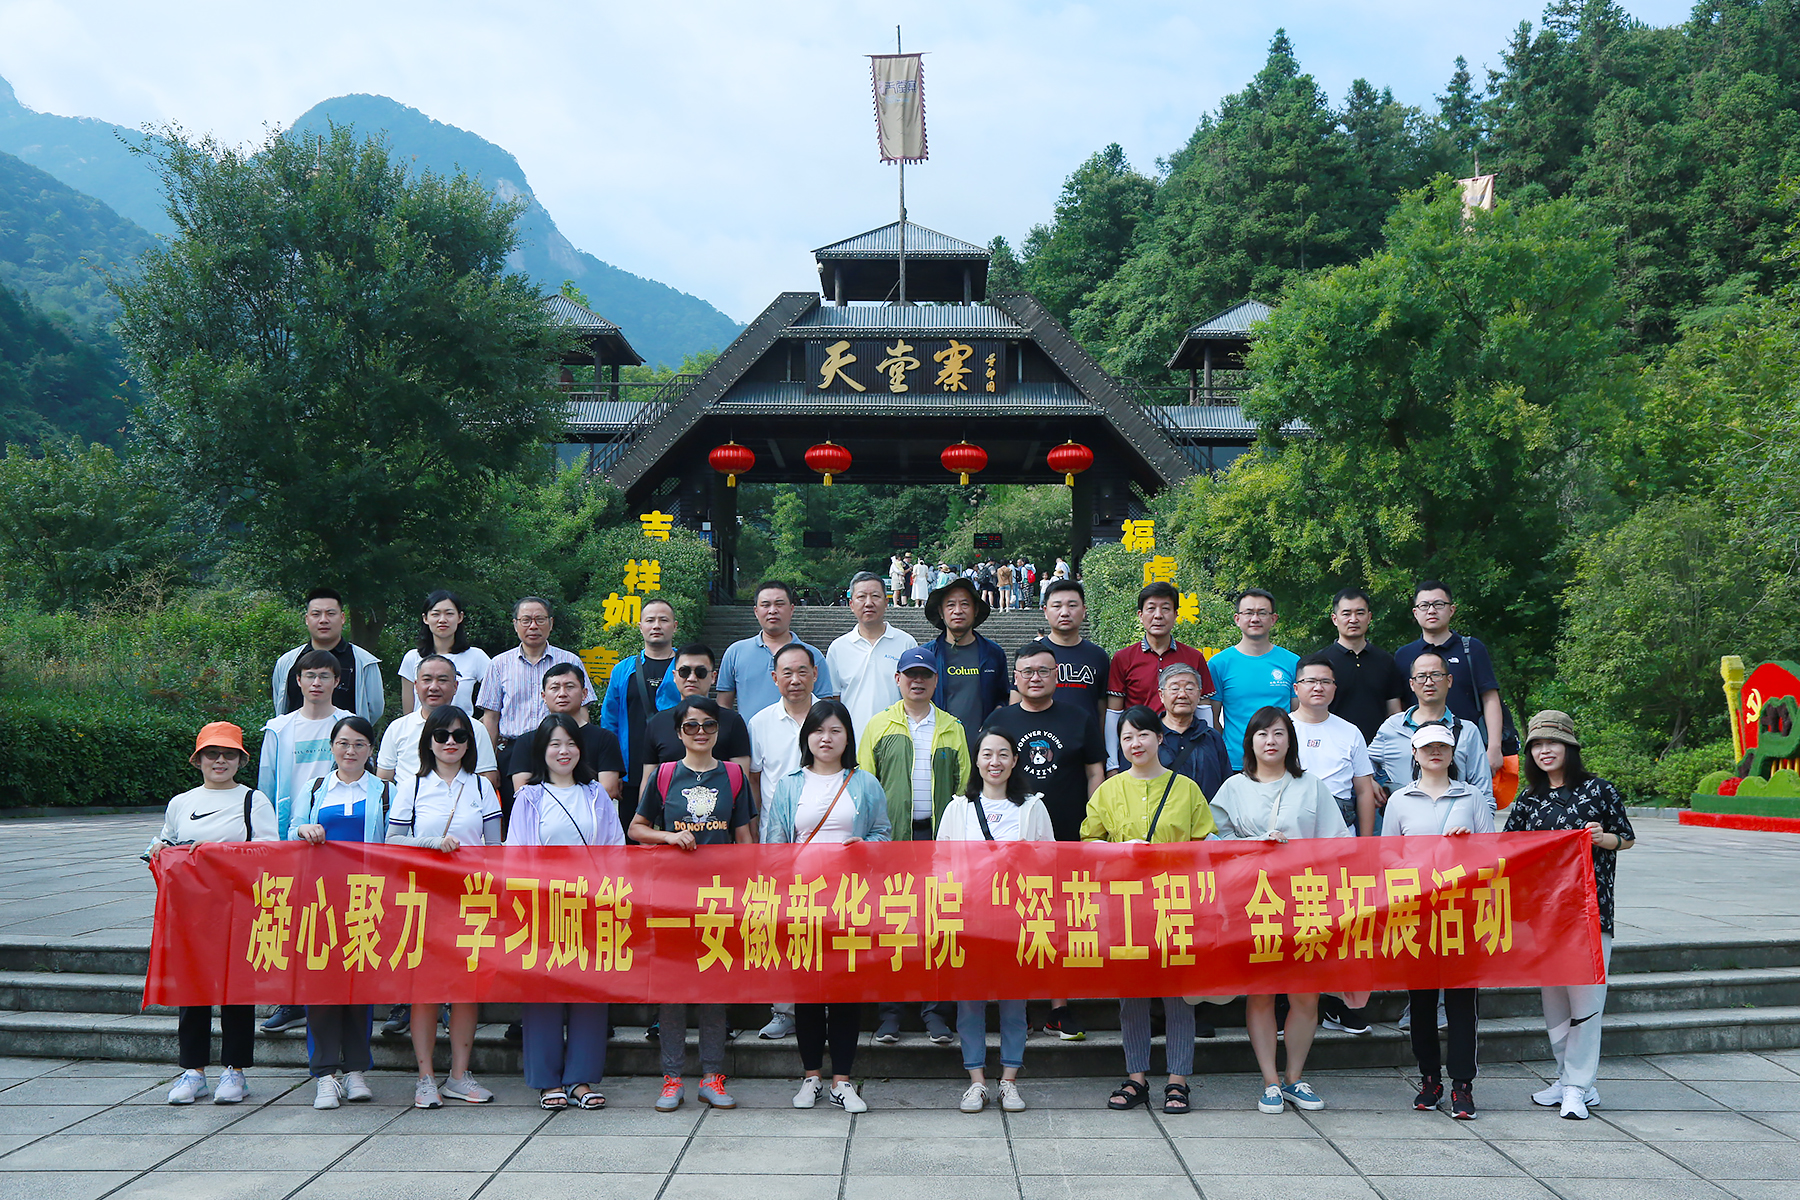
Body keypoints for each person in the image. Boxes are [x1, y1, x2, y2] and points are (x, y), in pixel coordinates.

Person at [1208, 706, 1352, 1115]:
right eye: (1262, 734)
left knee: (1306, 994)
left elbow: (1337, 843)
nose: (1270, 741)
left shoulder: (1312, 786)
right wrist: (1254, 844)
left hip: (1306, 900)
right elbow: (1213, 841)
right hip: (1255, 901)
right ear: (1249, 742)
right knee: (1262, 993)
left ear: (1290, 740)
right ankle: (1270, 1080)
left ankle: (1294, 1077)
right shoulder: (1233, 787)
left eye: (1278, 733)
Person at [1083, 705, 1217, 1116]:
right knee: (1132, 995)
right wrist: (1121, 850)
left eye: (1143, 734)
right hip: (1125, 905)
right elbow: (1088, 843)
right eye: (1126, 737)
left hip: (1176, 901)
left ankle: (1178, 1079)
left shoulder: (1186, 789)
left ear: (1160, 738)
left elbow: (1207, 843)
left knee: (1179, 995)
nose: (1135, 743)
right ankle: (1136, 1077)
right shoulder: (1108, 791)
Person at [1508, 710, 1634, 1121]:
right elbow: (1509, 847)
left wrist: (1603, 838)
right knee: (1554, 1001)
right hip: (1544, 915)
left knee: (1586, 1000)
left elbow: (1626, 838)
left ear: (1569, 747)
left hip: (1589, 911)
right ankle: (1567, 1077)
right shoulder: (1529, 798)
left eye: (1553, 743)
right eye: (1537, 745)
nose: (1545, 751)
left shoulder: (1599, 790)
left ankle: (1579, 1085)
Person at [630, 695, 753, 1112]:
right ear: (679, 732)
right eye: (691, 726)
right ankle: (672, 1078)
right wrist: (668, 837)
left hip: (719, 898)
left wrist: (746, 893)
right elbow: (637, 828)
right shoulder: (665, 775)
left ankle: (712, 1076)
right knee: (672, 990)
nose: (701, 733)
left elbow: (744, 838)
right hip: (672, 899)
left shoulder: (733, 775)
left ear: (719, 729)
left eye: (708, 725)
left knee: (714, 989)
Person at [764, 700, 888, 1114]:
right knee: (808, 992)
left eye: (835, 731)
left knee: (846, 991)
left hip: (851, 903)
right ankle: (811, 1076)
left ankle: (843, 1081)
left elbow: (884, 835)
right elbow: (776, 845)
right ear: (807, 738)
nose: (826, 738)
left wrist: (866, 845)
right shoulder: (790, 785)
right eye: (818, 731)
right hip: (803, 903)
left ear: (847, 737)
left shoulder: (865, 783)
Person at [150, 722, 277, 1105]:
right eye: (212, 754)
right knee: (193, 989)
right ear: (198, 760)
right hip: (191, 913)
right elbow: (168, 842)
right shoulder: (181, 802)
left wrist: (219, 852)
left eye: (228, 754)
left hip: (239, 909)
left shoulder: (254, 800)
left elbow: (271, 852)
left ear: (240, 760)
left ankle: (235, 1071)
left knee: (237, 990)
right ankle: (193, 1071)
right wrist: (158, 849)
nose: (220, 761)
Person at [386, 705, 503, 1108]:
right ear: (429, 742)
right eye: (441, 735)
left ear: (470, 742)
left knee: (467, 990)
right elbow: (392, 842)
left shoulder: (482, 787)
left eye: (459, 735)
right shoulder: (413, 787)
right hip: (424, 900)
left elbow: (495, 847)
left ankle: (459, 1075)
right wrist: (429, 844)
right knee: (425, 990)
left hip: (471, 899)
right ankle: (425, 1078)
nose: (450, 742)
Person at [508, 712, 625, 1111]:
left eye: (571, 743)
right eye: (555, 744)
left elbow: (614, 849)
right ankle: (547, 1080)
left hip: (591, 907)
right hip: (544, 908)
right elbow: (517, 856)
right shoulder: (530, 797)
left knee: (589, 993)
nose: (563, 751)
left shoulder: (596, 795)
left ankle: (581, 1078)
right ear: (542, 750)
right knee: (543, 994)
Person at [937, 729, 1053, 1113]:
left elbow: (1049, 860)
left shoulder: (1033, 807)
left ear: (1015, 760)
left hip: (1016, 918)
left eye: (1003, 754)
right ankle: (976, 1081)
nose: (995, 762)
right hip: (969, 917)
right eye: (987, 754)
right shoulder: (959, 809)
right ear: (977, 760)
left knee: (1013, 1002)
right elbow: (941, 863)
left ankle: (1009, 1080)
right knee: (969, 1002)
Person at [858, 646, 970, 1045]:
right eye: (910, 675)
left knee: (937, 929)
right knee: (892, 927)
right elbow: (865, 787)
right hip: (891, 844)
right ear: (898, 679)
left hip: (937, 843)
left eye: (925, 675)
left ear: (936, 681)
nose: (917, 681)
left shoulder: (952, 728)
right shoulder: (878, 725)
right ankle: (890, 1015)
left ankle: (935, 1013)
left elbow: (963, 788)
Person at [1382, 724, 1494, 1120]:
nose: (1435, 753)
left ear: (1452, 753)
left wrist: (1467, 845)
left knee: (1462, 1001)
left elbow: (1490, 853)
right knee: (1422, 1000)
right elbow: (1387, 854)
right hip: (1417, 911)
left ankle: (1463, 1084)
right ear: (1414, 753)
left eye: (1442, 747)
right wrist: (1413, 867)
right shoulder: (1399, 800)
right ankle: (1429, 1078)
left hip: (1461, 910)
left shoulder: (1471, 796)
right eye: (1427, 747)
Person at [287, 716, 388, 1109]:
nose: (351, 751)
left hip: (366, 899)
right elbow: (291, 829)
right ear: (332, 747)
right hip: (320, 900)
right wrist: (303, 830)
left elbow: (394, 840)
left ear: (370, 750)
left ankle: (356, 1069)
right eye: (344, 743)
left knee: (360, 988)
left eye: (360, 744)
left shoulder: (385, 791)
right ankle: (325, 1073)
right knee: (321, 987)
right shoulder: (315, 788)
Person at [1395, 581, 1507, 774]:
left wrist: (1494, 747)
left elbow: (1490, 698)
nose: (1431, 610)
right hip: (1422, 750)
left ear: (1451, 610)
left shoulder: (1472, 649)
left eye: (1439, 604)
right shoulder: (1404, 656)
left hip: (1468, 748)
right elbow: (1399, 705)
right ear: (1415, 613)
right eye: (1424, 605)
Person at [1369, 649, 1494, 810]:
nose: (1429, 682)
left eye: (1436, 675)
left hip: (1454, 819)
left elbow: (1483, 790)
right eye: (1421, 676)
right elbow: (1364, 762)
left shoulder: (1467, 731)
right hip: (1403, 819)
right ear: (1411, 684)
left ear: (1449, 680)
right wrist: (1369, 781)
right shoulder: (1392, 727)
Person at [478, 596, 594, 768]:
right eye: (526, 620)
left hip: (561, 751)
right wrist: (488, 765)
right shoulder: (499, 664)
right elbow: (491, 717)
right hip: (513, 751)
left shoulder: (571, 661)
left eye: (540, 619)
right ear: (515, 624)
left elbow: (582, 710)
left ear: (551, 623)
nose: (533, 626)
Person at [1106, 582, 1212, 769]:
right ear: (1140, 615)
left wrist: (1207, 747)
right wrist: (1112, 764)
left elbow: (1203, 707)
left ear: (1176, 614)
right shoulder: (1123, 658)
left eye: (1165, 608)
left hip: (1184, 746)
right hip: (1137, 747)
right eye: (1151, 608)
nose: (1158, 615)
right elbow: (1114, 712)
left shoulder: (1194, 657)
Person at [509, 662, 624, 829]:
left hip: (591, 824)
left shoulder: (605, 738)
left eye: (569, 687)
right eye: (555, 688)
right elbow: (522, 791)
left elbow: (609, 789)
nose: (562, 694)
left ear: (584, 694)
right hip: (541, 824)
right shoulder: (526, 741)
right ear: (543, 696)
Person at [258, 649, 353, 841]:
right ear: (299, 680)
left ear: (336, 681)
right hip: (289, 830)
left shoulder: (349, 724)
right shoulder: (278, 729)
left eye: (324, 676)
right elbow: (266, 786)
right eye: (310, 676)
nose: (316, 683)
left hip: (337, 825)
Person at [598, 597, 681, 811]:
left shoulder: (686, 668)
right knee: (631, 828)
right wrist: (614, 769)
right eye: (650, 620)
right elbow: (610, 721)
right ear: (640, 626)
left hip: (679, 768)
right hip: (631, 770)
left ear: (674, 626)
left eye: (663, 620)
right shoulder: (623, 669)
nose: (656, 626)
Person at [1207, 589, 1300, 771]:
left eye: (1262, 613)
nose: (1255, 619)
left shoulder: (1292, 662)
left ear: (1273, 619)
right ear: (1237, 619)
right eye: (1248, 613)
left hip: (1281, 762)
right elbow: (1213, 719)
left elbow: (1298, 716)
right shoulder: (1219, 664)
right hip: (1235, 763)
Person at [1291, 654, 1379, 837]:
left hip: (1340, 832)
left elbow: (1364, 791)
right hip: (1292, 832)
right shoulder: (1281, 730)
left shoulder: (1350, 732)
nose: (1318, 687)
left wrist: (1366, 842)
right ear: (1296, 688)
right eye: (1311, 681)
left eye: (1325, 681)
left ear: (1334, 688)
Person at [717, 581, 836, 716]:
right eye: (765, 605)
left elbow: (824, 705)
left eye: (779, 604)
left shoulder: (812, 655)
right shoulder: (736, 652)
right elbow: (723, 705)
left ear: (791, 609)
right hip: (748, 730)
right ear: (756, 611)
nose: (772, 610)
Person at [924, 576, 1008, 761]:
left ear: (975, 610)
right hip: (937, 752)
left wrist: (996, 716)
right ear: (941, 612)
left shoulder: (993, 654)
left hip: (983, 754)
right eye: (950, 605)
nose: (958, 611)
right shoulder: (927, 656)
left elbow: (1004, 696)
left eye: (965, 604)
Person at [272, 587, 384, 724]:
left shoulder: (364, 662)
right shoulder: (287, 662)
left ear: (342, 618)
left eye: (330, 614)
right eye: (316, 614)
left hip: (346, 737)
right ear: (307, 619)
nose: (323, 620)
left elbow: (374, 710)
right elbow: (281, 704)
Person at [827, 571, 918, 734]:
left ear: (886, 602)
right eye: (861, 597)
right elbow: (834, 699)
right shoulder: (838, 648)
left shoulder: (906, 643)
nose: (868, 603)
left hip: (896, 738)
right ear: (851, 604)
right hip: (853, 740)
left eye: (875, 596)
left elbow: (915, 696)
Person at [1315, 588, 1405, 745]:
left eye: (1360, 613)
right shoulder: (1320, 662)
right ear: (1335, 619)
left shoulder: (1385, 661)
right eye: (1346, 614)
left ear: (1369, 617)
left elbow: (1394, 712)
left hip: (1378, 748)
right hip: (1332, 746)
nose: (1353, 619)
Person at [1015, 579, 1110, 723]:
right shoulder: (1029, 656)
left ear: (1084, 610)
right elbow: (1015, 705)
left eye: (1072, 606)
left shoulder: (1098, 656)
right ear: (1045, 611)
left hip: (1085, 736)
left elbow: (1102, 711)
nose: (1065, 613)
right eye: (1057, 606)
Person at [749, 643, 823, 812]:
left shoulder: (832, 720)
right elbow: (754, 779)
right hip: (775, 822)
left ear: (815, 674)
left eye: (802, 672)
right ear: (775, 678)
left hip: (823, 821)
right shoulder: (760, 723)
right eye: (787, 673)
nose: (795, 680)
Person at [398, 590, 491, 715]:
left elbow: (496, 699)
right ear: (425, 618)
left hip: (461, 727)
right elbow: (408, 713)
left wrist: (478, 725)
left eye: (449, 614)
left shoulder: (476, 656)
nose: (442, 620)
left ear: (460, 617)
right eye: (436, 614)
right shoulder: (412, 658)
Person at [1155, 663, 1230, 802]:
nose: (1182, 695)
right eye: (1175, 689)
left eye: (1189, 688)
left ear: (1199, 694)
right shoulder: (1149, 738)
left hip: (1206, 815)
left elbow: (1226, 786)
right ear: (1161, 695)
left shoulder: (1212, 738)